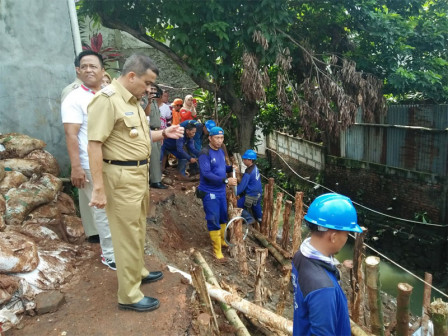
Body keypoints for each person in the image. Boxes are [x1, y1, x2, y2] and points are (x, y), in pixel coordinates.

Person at [87, 54, 184, 312]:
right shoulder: (107, 100)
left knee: (138, 228)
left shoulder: (132, 101)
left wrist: (164, 133)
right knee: (126, 235)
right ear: (131, 76)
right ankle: (128, 295)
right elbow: (94, 144)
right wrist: (98, 187)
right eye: (147, 82)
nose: (150, 89)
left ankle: (137, 271)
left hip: (137, 176)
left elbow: (138, 137)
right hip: (120, 177)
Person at [61, 50, 116, 269]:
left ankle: (121, 249)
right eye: (84, 66)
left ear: (103, 71)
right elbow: (71, 134)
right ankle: (110, 254)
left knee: (114, 208)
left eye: (93, 66)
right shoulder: (74, 98)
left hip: (112, 162)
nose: (89, 70)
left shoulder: (109, 94)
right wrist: (76, 167)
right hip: (88, 163)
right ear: (78, 71)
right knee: (101, 209)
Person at [292, 193, 362, 335]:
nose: (346, 239)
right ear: (334, 237)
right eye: (347, 235)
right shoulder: (324, 289)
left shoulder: (300, 256)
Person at [197, 127, 237, 262]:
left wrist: (230, 168)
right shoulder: (204, 153)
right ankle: (217, 251)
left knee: (222, 217)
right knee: (213, 218)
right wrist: (226, 180)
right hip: (209, 192)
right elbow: (207, 173)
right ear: (210, 138)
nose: (220, 141)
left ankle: (222, 241)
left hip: (220, 191)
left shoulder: (219, 151)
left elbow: (220, 168)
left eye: (221, 138)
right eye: (217, 138)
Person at [143, 88, 167, 189]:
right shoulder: (145, 101)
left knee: (156, 157)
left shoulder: (155, 103)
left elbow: (159, 119)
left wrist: (160, 134)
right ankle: (155, 181)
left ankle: (154, 179)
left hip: (157, 131)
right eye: (151, 89)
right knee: (154, 157)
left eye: (154, 90)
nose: (153, 92)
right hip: (150, 130)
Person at [236, 149, 263, 225]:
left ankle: (249, 218)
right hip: (258, 194)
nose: (243, 160)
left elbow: (241, 187)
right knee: (257, 209)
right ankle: (260, 221)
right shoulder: (255, 168)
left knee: (237, 205)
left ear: (250, 160)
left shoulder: (248, 172)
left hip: (251, 196)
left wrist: (234, 192)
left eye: (245, 159)